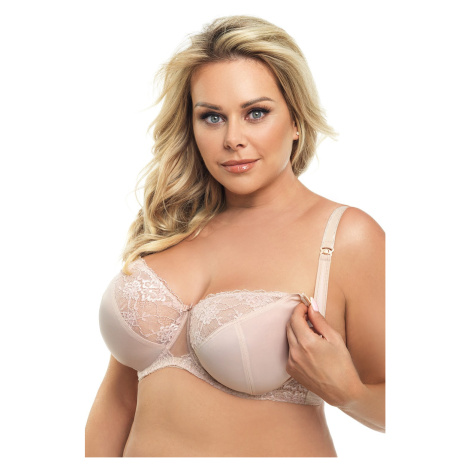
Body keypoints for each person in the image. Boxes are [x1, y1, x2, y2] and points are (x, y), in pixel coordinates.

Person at [85, 15, 385, 457]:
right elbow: (119, 398)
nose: (233, 138)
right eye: (211, 117)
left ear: (296, 120)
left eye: (256, 113)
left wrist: (349, 392)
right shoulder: (171, 227)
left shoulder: (346, 237)